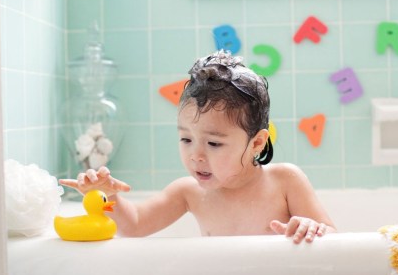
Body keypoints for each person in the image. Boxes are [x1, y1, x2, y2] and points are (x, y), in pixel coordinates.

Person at [60, 50, 336, 244]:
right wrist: (108, 197)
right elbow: (134, 225)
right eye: (186, 139)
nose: (196, 155)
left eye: (214, 143)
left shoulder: (285, 182)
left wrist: (312, 228)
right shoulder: (189, 192)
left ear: (257, 143)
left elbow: (337, 241)